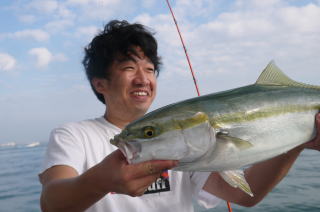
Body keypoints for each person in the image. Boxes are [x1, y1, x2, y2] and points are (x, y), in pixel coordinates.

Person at [39, 20, 320, 212]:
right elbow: (52, 203)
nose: (143, 79)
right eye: (128, 68)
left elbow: (244, 195)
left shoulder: (191, 151)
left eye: (150, 69)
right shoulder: (73, 135)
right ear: (100, 83)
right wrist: (101, 180)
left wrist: (299, 136)